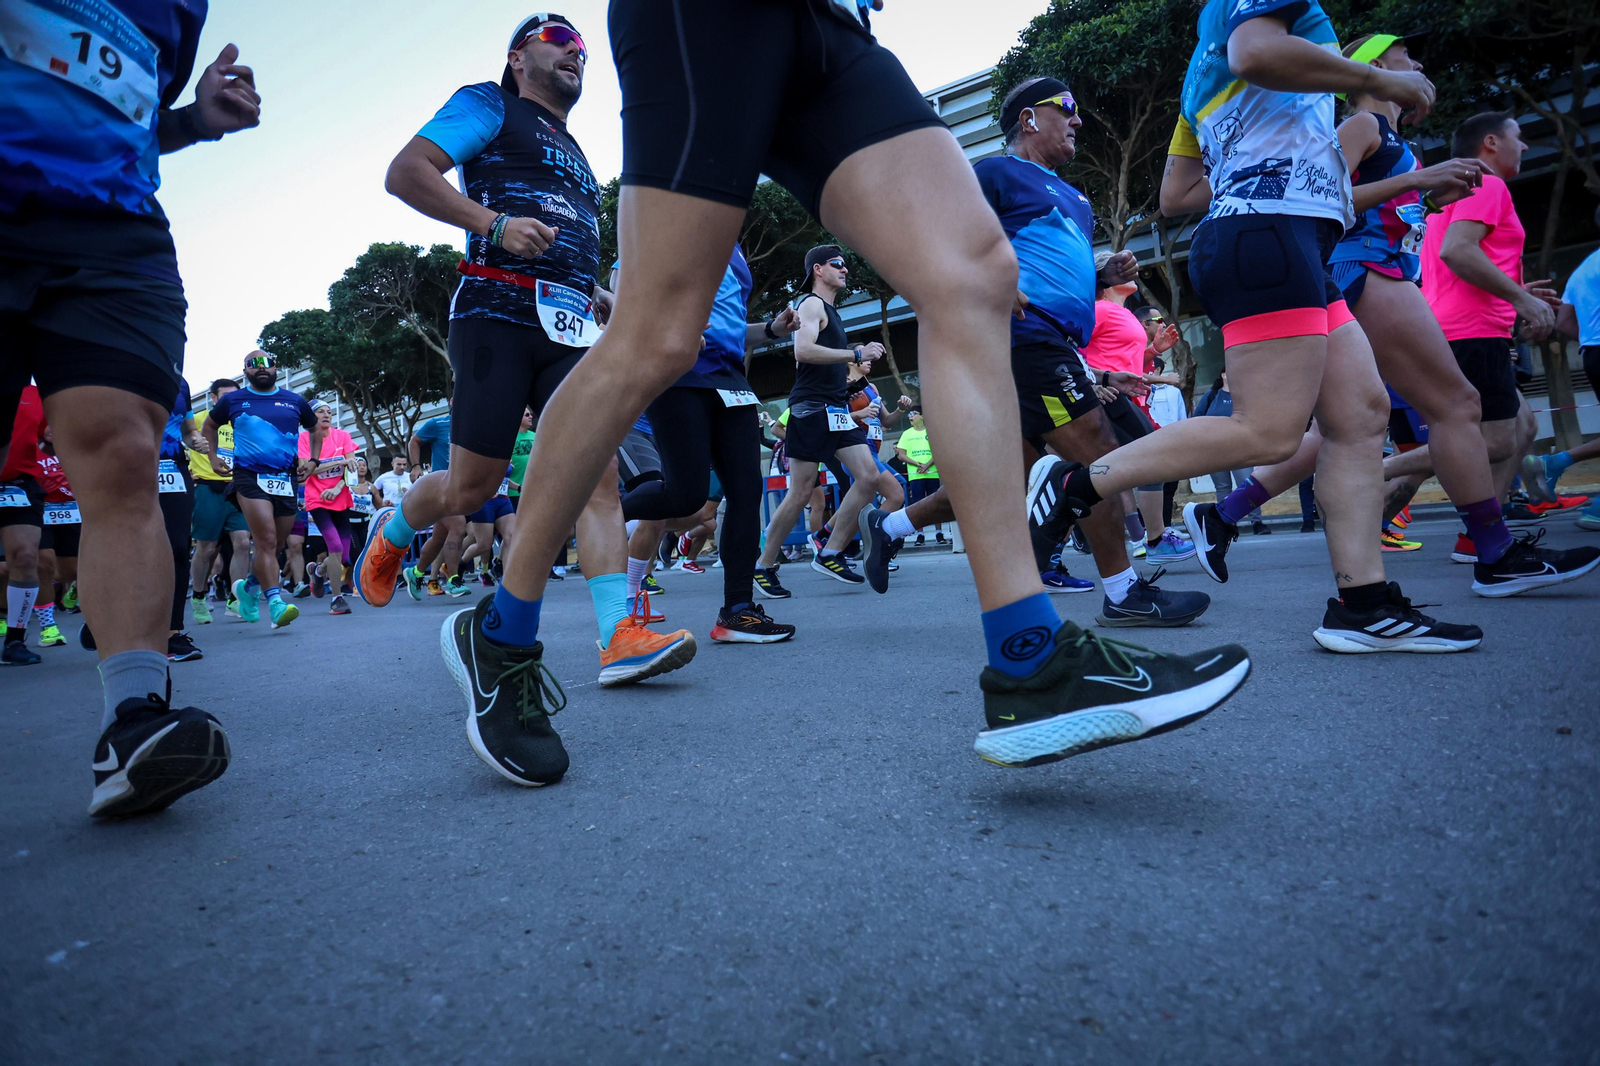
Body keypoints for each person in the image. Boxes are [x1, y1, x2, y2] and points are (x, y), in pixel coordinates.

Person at [1031, 0, 1482, 653]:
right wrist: (1383, 81)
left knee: (1360, 413)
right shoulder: (1245, 33)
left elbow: (1177, 194)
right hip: (1269, 237)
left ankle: (1364, 606)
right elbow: (1258, 52)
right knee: (1269, 431)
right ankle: (1072, 484)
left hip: (1284, 238)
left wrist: (1279, 170)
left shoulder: (1201, 65)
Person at [366, 14, 695, 787]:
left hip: (571, 325)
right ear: (518, 57)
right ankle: (396, 526)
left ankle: (619, 635)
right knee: (471, 487)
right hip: (495, 313)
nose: (576, 49)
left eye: (583, 45)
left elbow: (568, 233)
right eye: (557, 37)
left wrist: (599, 290)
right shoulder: (489, 103)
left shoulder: (576, 150)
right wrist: (492, 223)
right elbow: (408, 171)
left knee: (597, 474)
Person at [2, 12, 258, 814]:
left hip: (115, 235)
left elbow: (130, 120)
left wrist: (193, 122)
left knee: (125, 457)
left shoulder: (180, 9)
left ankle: (132, 723)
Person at [862, 79, 1210, 628]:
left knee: (995, 486)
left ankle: (890, 527)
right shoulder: (995, 173)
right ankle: (1123, 593)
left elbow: (1051, 267)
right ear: (1028, 118)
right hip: (1021, 338)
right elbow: (934, 235)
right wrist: (988, 281)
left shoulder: (1077, 199)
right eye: (1066, 109)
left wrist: (1102, 274)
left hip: (1055, 342)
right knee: (1099, 454)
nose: (1078, 120)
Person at [617, 247, 800, 642]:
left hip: (732, 382)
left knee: (747, 492)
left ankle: (737, 612)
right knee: (685, 497)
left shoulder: (736, 255)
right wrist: (669, 329)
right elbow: (620, 283)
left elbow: (730, 330)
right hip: (679, 374)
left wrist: (771, 330)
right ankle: (597, 513)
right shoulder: (673, 222)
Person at [753, 246, 887, 589]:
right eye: (837, 264)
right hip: (812, 408)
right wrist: (856, 352)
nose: (845, 270)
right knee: (800, 493)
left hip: (835, 409)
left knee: (869, 477)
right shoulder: (811, 304)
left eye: (845, 265)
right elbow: (803, 350)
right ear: (817, 269)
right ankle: (764, 565)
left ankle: (830, 551)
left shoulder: (831, 311)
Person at [1079, 251, 1197, 564]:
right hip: (1106, 397)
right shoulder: (1098, 309)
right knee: (1147, 458)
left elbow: (1122, 361)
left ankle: (1065, 535)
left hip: (1124, 396)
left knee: (1108, 472)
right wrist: (1095, 382)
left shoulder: (1122, 313)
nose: (1130, 269)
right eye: (1118, 266)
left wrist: (1152, 351)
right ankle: (1155, 538)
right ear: (1104, 277)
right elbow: (1073, 350)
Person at [205, 352, 319, 631]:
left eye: (266, 363)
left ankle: (248, 587)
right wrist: (212, 457)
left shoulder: (294, 400)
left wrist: (314, 461)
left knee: (277, 545)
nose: (261, 368)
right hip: (249, 477)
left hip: (286, 478)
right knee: (265, 540)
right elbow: (209, 426)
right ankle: (276, 604)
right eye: (253, 364)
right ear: (245, 371)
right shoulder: (233, 400)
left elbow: (315, 429)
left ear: (276, 367)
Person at [1527, 245, 1600, 531]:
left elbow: (1564, 323)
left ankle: (1555, 463)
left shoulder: (1584, 268)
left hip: (1592, 353)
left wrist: (1592, 340)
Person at [188, 378, 250, 625]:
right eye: (225, 396)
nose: (230, 401)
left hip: (238, 488)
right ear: (213, 398)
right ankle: (198, 596)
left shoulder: (243, 423)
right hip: (208, 487)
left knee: (243, 542)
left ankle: (236, 599)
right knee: (207, 547)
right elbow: (180, 438)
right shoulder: (199, 419)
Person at [156, 380, 205, 661]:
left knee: (177, 548)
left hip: (173, 470)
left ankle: (171, 634)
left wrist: (196, 440)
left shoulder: (179, 382)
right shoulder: (115, 364)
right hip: (125, 466)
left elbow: (188, 431)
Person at [1, 385, 48, 665]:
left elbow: (47, 438)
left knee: (26, 557)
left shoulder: (35, 395)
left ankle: (15, 641)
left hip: (20, 484)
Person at [1192, 371, 1270, 534]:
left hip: (1240, 448)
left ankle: (1257, 522)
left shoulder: (1242, 396)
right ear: (1222, 375)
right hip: (1214, 449)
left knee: (1248, 484)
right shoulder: (1212, 395)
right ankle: (1226, 523)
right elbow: (1196, 418)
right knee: (1223, 487)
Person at [299, 403, 359, 614]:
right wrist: (340, 462)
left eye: (329, 412)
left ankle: (318, 570)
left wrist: (338, 487)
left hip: (340, 498)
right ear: (311, 416)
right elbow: (306, 469)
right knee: (334, 546)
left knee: (342, 556)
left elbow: (352, 468)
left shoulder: (343, 436)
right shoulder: (305, 438)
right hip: (317, 499)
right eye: (320, 412)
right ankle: (336, 599)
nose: (326, 415)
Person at [405, 405, 469, 598]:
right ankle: (453, 580)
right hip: (440, 487)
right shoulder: (438, 423)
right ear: (453, 401)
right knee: (458, 527)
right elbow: (414, 441)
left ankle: (416, 572)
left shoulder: (471, 427)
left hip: (460, 489)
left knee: (439, 537)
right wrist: (416, 466)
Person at [35, 426, 79, 649]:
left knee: (72, 571)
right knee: (43, 565)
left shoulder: (74, 439)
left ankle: (70, 587)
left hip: (71, 508)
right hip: (38, 506)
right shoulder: (26, 440)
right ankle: (48, 626)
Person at [894, 408, 944, 544]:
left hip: (932, 473)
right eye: (909, 414)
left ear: (922, 416)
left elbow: (938, 451)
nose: (910, 417)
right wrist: (917, 464)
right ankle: (920, 534)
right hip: (915, 475)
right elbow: (901, 455)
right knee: (918, 505)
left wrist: (927, 465)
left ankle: (939, 533)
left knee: (936, 504)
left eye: (914, 414)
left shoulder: (931, 431)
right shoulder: (906, 434)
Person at [347, 456, 376, 581]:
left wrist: (387, 505)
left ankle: (366, 581)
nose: (362, 467)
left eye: (364, 465)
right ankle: (357, 581)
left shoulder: (371, 487)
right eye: (359, 465)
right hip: (349, 525)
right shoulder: (347, 486)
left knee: (367, 553)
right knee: (356, 554)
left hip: (365, 524)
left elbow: (379, 505)